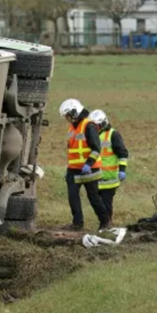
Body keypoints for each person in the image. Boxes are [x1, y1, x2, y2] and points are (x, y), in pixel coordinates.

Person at [59, 99, 110, 231]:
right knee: (73, 197)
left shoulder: (89, 126)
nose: (66, 119)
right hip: (73, 170)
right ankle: (77, 223)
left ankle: (105, 221)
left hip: (89, 170)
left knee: (93, 197)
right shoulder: (72, 127)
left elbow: (96, 148)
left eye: (67, 116)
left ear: (74, 113)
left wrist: (88, 164)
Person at [88, 109, 129, 226]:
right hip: (95, 177)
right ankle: (105, 223)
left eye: (96, 125)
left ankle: (106, 225)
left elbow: (123, 154)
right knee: (97, 204)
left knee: (106, 204)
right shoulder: (92, 135)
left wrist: (122, 170)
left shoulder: (113, 135)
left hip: (109, 179)